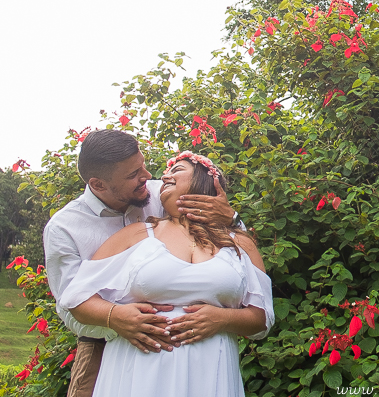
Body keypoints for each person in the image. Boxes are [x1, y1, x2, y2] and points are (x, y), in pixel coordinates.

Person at [43, 130, 257, 397]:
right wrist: (116, 317)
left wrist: (231, 217)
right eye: (133, 174)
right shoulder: (64, 229)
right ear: (98, 184)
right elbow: (71, 303)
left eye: (142, 165)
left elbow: (230, 247)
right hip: (102, 343)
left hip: (199, 351)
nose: (147, 176)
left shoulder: (162, 193)